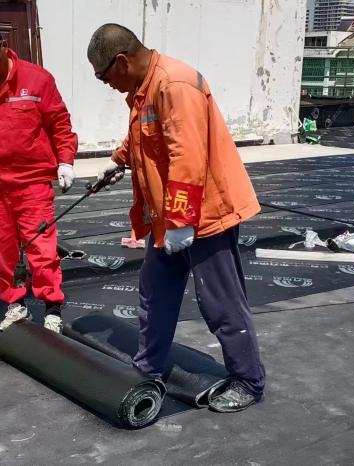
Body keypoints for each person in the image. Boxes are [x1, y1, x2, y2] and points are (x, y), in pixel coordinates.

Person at [87, 24, 266, 412]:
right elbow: (145, 135)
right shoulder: (145, 88)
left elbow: (188, 156)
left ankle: (248, 381)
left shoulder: (175, 85)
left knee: (221, 302)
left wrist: (183, 221)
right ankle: (147, 367)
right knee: (155, 292)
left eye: (104, 76)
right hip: (170, 218)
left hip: (206, 215)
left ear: (121, 62)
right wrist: (117, 161)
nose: (106, 84)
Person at [0, 22, 78, 333]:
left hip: (31, 183)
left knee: (41, 249)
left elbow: (60, 123)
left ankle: (52, 308)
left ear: (2, 47)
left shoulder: (37, 80)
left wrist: (65, 161)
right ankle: (16, 304)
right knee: (1, 251)